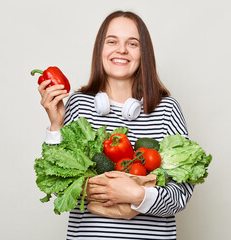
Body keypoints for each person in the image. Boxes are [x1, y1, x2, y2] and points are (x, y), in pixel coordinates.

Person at [38, 10, 193, 240]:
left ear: (144, 54)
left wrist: (136, 194)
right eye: (112, 41)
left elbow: (181, 196)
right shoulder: (79, 105)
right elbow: (60, 189)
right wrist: (56, 125)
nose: (121, 49)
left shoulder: (166, 109)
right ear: (100, 49)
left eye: (132, 43)